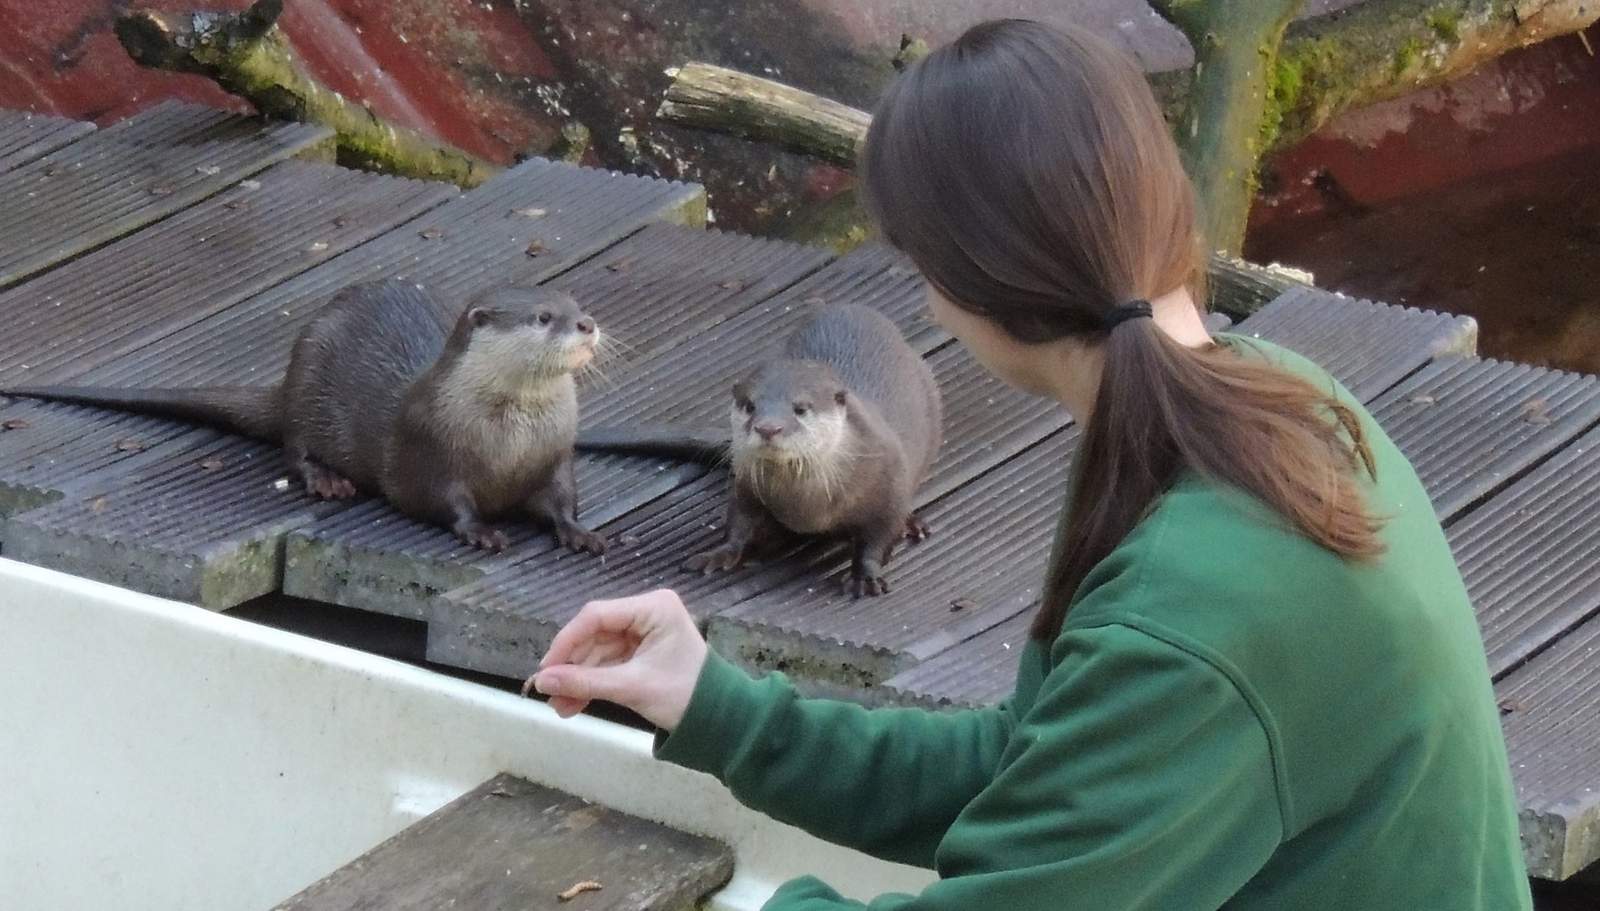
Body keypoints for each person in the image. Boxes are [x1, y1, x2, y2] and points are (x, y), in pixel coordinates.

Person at [527, 18, 1532, 911]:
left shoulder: (1191, 610)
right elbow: (1047, 767)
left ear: (964, 288)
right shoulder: (1277, 396)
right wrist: (717, 704)